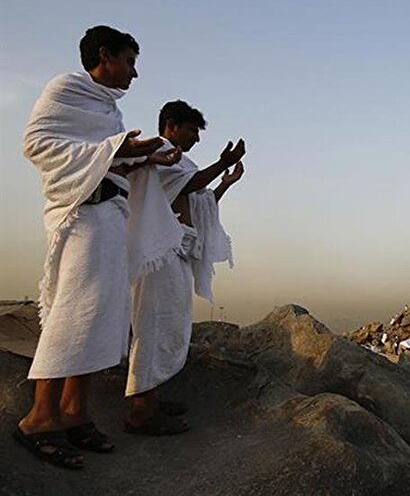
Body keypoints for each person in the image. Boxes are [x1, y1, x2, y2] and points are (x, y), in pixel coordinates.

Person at [16, 25, 181, 468]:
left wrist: (143, 156)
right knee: (72, 313)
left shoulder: (109, 112)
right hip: (80, 216)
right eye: (129, 61)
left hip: (110, 217)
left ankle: (74, 411)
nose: (134, 73)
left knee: (101, 317)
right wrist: (116, 148)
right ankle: (38, 417)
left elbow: (110, 162)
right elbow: (36, 145)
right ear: (104, 55)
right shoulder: (66, 89)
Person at [125, 101, 245, 434]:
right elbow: (190, 186)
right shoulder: (159, 153)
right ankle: (139, 411)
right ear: (171, 125)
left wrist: (227, 181)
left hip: (178, 252)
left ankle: (151, 398)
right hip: (160, 253)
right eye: (192, 129)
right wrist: (223, 161)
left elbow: (200, 201)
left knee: (170, 325)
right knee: (153, 325)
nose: (195, 137)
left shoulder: (181, 162)